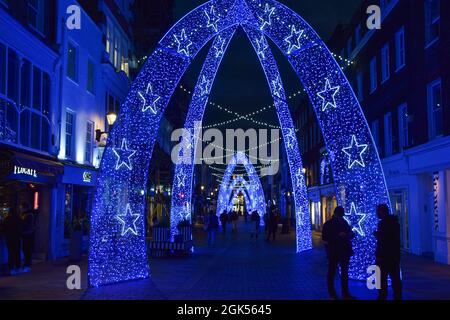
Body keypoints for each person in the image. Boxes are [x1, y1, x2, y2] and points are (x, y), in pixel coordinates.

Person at [322, 206, 355, 300]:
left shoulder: (342, 222)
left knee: (340, 273)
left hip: (341, 251)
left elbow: (351, 234)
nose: (341, 216)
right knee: (334, 272)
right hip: (336, 251)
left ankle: (341, 293)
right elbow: (325, 238)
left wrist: (347, 235)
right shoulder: (330, 224)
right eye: (341, 214)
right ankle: (336, 294)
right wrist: (339, 236)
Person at [375, 204, 403, 300]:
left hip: (384, 256)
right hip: (394, 255)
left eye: (377, 212)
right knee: (395, 277)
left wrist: (377, 234)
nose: (376, 214)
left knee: (381, 278)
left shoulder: (383, 223)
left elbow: (384, 240)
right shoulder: (395, 223)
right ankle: (397, 297)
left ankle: (382, 296)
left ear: (382, 212)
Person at [2, 207, 22, 276]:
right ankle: (18, 267)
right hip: (17, 238)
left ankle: (11, 269)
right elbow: (21, 228)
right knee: (17, 252)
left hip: (9, 238)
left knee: (11, 253)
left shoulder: (7, 219)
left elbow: (3, 228)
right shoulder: (19, 219)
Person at [20, 202, 35, 272]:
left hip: (27, 234)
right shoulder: (28, 215)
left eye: (21, 208)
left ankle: (27, 264)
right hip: (28, 234)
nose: (21, 209)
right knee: (26, 249)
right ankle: (27, 264)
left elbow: (25, 225)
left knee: (27, 249)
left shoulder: (28, 215)